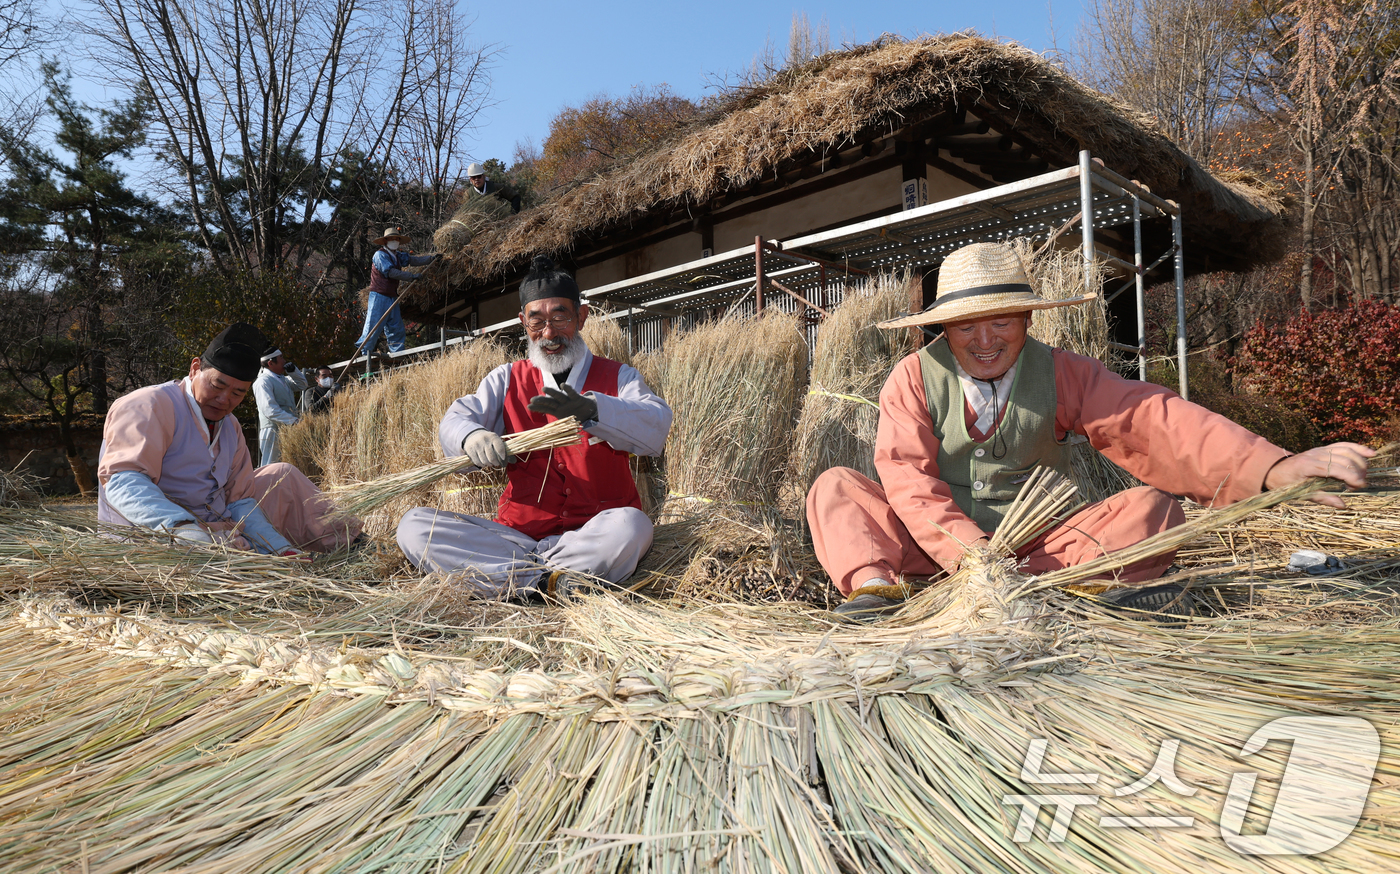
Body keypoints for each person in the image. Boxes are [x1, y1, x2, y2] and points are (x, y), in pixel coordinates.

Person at [806, 242, 1375, 619]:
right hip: (928, 553)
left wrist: (1271, 467)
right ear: (944, 330)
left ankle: (1073, 589)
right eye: (966, 327)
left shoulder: (1062, 372)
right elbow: (905, 476)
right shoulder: (912, 377)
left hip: (1037, 552)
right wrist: (971, 558)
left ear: (1027, 319)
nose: (985, 341)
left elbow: (1148, 418)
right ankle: (878, 591)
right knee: (836, 489)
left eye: (1000, 322)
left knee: (1153, 510)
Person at [396, 256, 672, 600]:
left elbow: (657, 424)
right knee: (414, 527)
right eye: (536, 321)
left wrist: (595, 409)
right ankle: (551, 583)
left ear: (581, 317)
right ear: (522, 322)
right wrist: (471, 436)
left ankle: (518, 581)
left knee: (634, 525)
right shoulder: (507, 378)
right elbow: (456, 421)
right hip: (517, 539)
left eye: (560, 318)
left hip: (593, 534)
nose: (549, 334)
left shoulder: (619, 377)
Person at [97, 323, 363, 555]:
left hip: (215, 525)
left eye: (238, 393)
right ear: (195, 369)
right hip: (156, 532)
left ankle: (355, 543)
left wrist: (276, 547)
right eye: (217, 385)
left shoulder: (230, 426)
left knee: (282, 475)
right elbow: (123, 483)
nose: (225, 399)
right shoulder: (150, 405)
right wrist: (187, 531)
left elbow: (239, 501)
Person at [355, 226, 437, 357]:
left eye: (397, 239)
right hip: (379, 296)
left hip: (392, 296)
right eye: (392, 239)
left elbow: (412, 260)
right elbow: (391, 272)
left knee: (396, 327)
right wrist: (411, 276)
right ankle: (365, 353)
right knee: (373, 325)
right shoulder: (380, 255)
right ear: (386, 241)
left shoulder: (398, 255)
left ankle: (397, 353)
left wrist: (431, 259)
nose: (395, 241)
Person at [253, 345, 306, 467]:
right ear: (271, 363)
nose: (284, 361)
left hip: (287, 427)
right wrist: (293, 421)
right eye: (281, 357)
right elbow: (269, 410)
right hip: (272, 430)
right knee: (271, 466)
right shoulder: (263, 381)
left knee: (287, 465)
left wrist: (294, 372)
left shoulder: (283, 379)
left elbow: (302, 385)